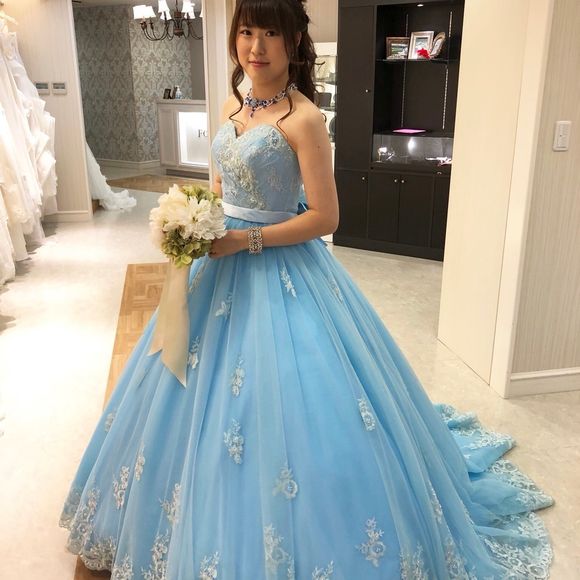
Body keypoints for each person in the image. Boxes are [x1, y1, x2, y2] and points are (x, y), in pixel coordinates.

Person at [60, 1, 554, 578]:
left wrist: (244, 240)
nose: (256, 47)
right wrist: (195, 220)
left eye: (271, 33)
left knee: (296, 403)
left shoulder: (305, 118)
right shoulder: (231, 105)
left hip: (281, 268)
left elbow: (325, 217)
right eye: (247, 31)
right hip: (216, 266)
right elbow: (220, 189)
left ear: (294, 41)